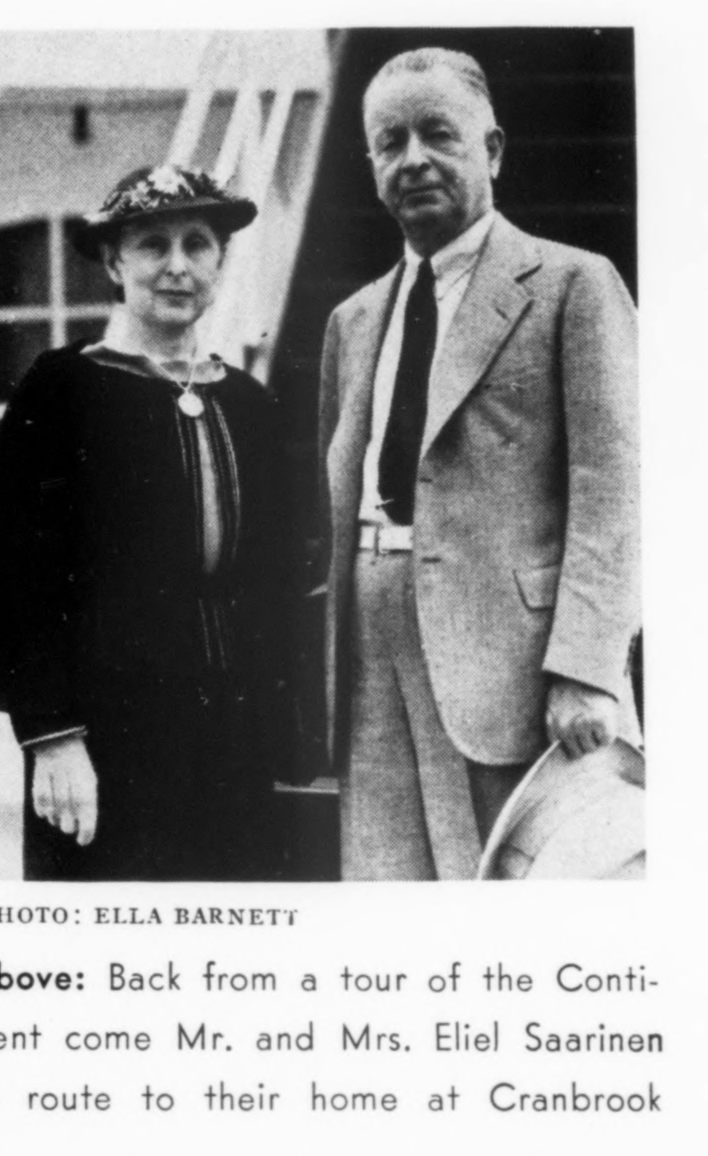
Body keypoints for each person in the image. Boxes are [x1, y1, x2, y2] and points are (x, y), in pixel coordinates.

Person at [318, 48, 641, 880]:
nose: (413, 159)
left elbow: (615, 491)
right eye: (390, 142)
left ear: (491, 150)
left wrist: (586, 670)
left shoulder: (572, 285)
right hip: (370, 654)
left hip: (511, 666)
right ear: (371, 166)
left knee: (518, 894)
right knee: (389, 895)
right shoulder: (352, 321)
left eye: (438, 134)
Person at [0, 164, 294, 881]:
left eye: (197, 244)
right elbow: (14, 573)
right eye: (153, 244)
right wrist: (53, 737)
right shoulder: (62, 389)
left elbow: (277, 578)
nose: (177, 265)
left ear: (219, 261)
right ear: (115, 263)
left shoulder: (249, 403)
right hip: (105, 739)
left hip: (232, 739)